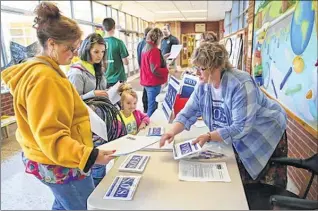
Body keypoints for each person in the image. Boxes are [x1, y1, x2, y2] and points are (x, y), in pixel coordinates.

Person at [1, 2, 115, 210]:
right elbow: (51, 135)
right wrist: (90, 155)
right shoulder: (46, 78)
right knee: (82, 205)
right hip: (60, 162)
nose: (73, 53)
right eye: (69, 48)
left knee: (64, 203)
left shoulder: (43, 70)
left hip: (50, 156)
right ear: (52, 44)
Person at [160, 42, 288, 189]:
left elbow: (240, 128)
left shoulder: (241, 84)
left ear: (216, 67)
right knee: (238, 178)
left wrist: (209, 136)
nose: (197, 73)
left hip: (264, 131)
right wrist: (171, 131)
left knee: (265, 186)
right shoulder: (203, 85)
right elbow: (189, 111)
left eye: (201, 68)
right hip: (239, 134)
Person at [67, 33, 108, 100]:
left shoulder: (98, 68)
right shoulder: (76, 73)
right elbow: (73, 101)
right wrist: (92, 94)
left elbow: (101, 91)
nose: (100, 55)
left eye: (103, 52)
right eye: (96, 52)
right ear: (87, 51)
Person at [140, 28, 169, 117]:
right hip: (153, 83)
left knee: (150, 105)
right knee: (152, 108)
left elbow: (150, 63)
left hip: (146, 81)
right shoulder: (154, 50)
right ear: (157, 38)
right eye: (161, 39)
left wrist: (162, 58)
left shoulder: (146, 48)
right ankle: (148, 126)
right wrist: (166, 70)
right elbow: (155, 69)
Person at [102, 17, 129, 88]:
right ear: (114, 27)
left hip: (105, 79)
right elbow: (126, 62)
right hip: (118, 78)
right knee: (121, 99)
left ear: (103, 28)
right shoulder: (119, 43)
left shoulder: (99, 43)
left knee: (108, 98)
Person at [137, 27, 152, 113]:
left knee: (145, 90)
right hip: (148, 72)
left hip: (142, 70)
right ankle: (148, 110)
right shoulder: (148, 45)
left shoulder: (140, 44)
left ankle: (145, 108)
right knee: (149, 91)